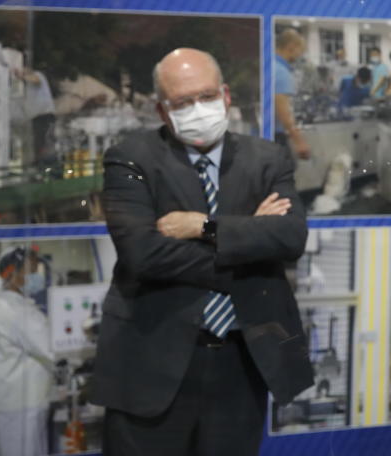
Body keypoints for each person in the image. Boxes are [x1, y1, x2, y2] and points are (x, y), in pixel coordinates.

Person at [91, 48, 314, 456]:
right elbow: (144, 254)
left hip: (242, 362)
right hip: (151, 360)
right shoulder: (130, 159)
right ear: (162, 110)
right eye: (182, 102)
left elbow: (290, 238)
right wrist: (250, 247)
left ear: (226, 96)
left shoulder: (267, 159)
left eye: (207, 96)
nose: (198, 109)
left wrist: (204, 227)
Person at [0, 245, 53, 456]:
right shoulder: (14, 311)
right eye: (31, 270)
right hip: (19, 410)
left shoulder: (9, 305)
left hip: (12, 405)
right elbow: (52, 349)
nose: (37, 275)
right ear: (13, 273)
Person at [274, 29, 312, 159]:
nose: (299, 56)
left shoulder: (268, 65)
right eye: (300, 51)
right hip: (275, 137)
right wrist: (299, 141)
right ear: (291, 47)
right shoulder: (281, 72)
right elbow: (283, 112)